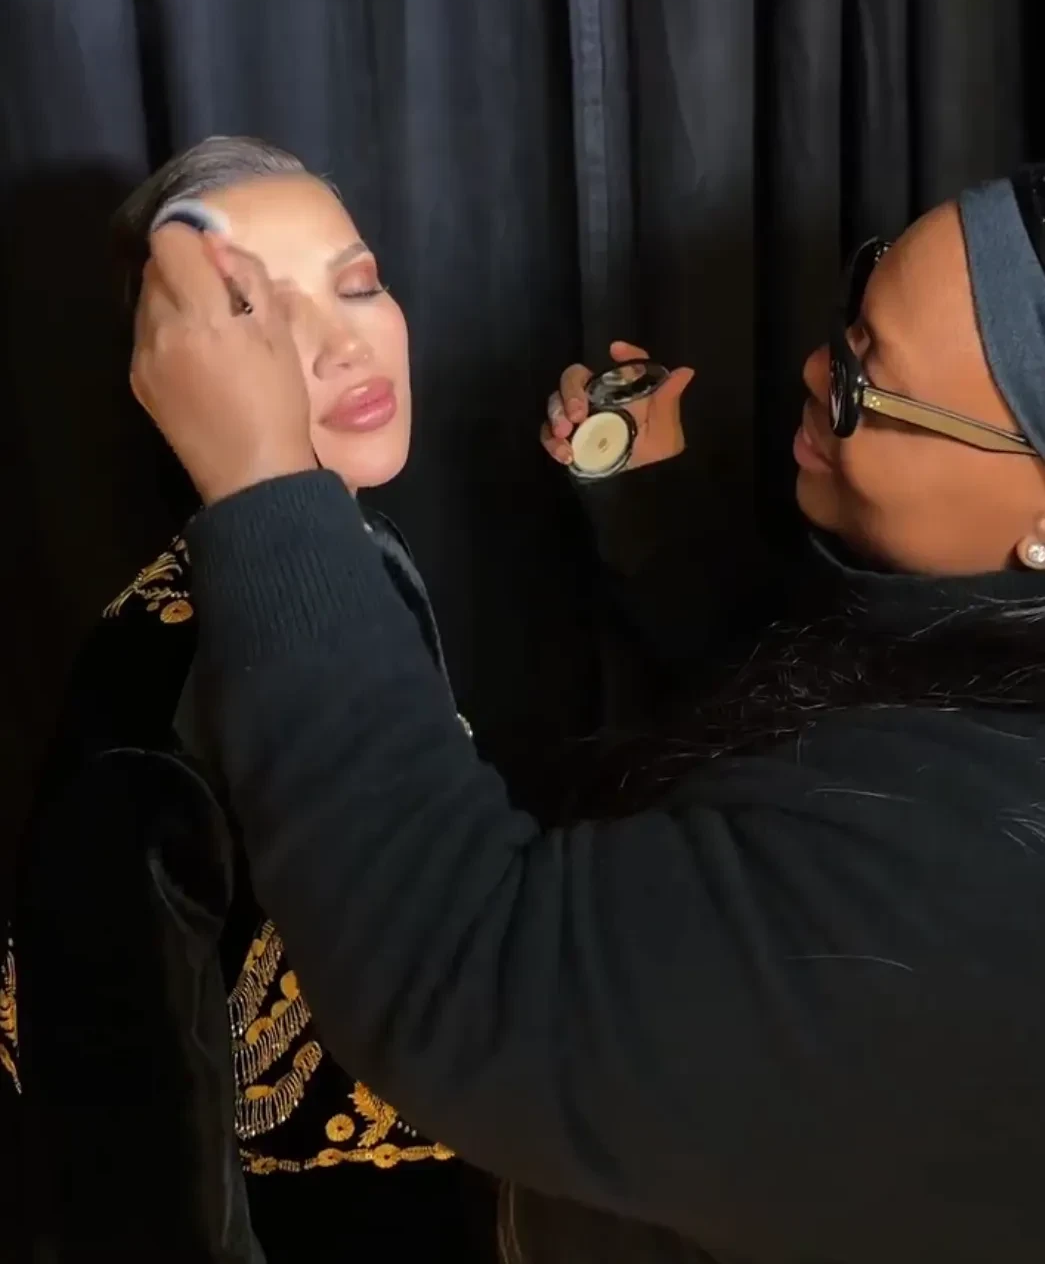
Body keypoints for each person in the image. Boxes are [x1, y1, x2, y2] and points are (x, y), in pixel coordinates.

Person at [130, 163, 1045, 1263]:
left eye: (863, 381)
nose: (813, 369)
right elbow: (843, 697)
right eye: (849, 320)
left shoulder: (970, 889)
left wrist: (263, 486)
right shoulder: (140, 687)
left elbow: (466, 972)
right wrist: (650, 511)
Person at [9, 136, 699, 1263]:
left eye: (359, 284)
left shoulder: (346, 559)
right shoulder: (159, 675)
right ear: (168, 368)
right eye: (259, 315)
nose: (341, 344)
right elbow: (130, 1159)